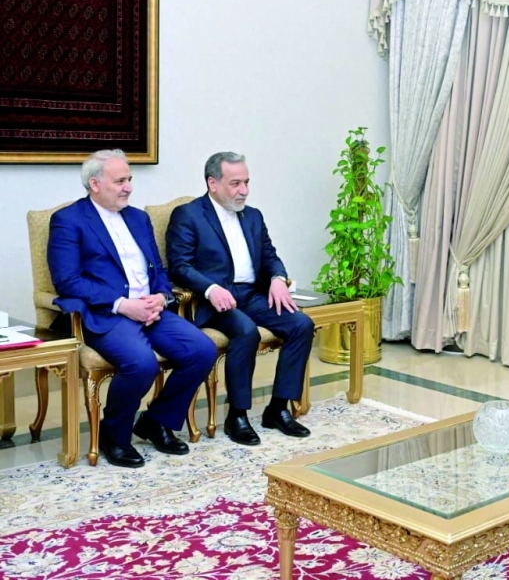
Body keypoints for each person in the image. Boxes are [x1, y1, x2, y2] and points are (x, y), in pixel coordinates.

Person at [48, 150, 217, 468]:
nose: (128, 187)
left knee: (202, 350)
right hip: (107, 314)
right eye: (120, 181)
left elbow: (158, 270)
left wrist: (161, 297)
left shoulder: (138, 218)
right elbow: (67, 281)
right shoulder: (69, 221)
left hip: (151, 310)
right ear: (95, 184)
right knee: (141, 364)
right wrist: (123, 304)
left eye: (129, 179)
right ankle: (113, 436)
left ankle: (156, 422)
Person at [166, 152, 314, 446]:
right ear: (213, 183)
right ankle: (237, 415)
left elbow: (270, 257)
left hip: (251, 294)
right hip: (212, 300)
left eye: (246, 182)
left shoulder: (253, 216)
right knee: (246, 331)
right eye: (235, 183)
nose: (244, 190)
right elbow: (180, 266)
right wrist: (210, 289)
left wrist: (277, 279)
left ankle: (277, 409)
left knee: (301, 324)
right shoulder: (189, 215)